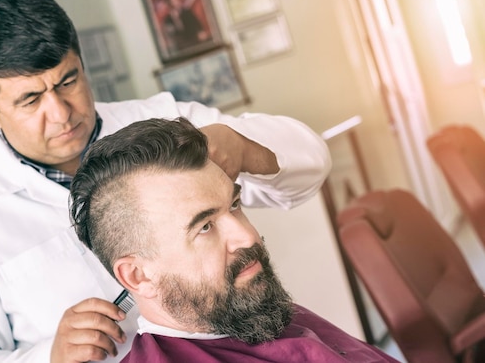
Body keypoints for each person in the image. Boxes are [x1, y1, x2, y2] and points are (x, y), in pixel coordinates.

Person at [0, 0, 331, 363]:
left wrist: (243, 146)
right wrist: (48, 356)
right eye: (30, 99)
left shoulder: (165, 122)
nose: (61, 113)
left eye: (68, 80)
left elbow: (311, 163)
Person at [70, 117, 399, 363]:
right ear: (137, 276)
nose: (247, 237)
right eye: (204, 227)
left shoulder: (246, 309)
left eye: (235, 205)